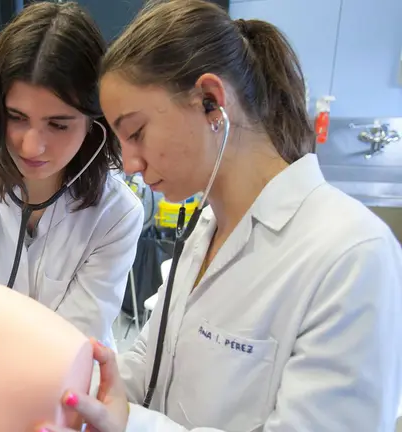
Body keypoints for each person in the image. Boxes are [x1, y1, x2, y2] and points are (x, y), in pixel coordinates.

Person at [36, 1, 402, 431]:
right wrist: (78, 398)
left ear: (211, 101)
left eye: (136, 133)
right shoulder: (207, 229)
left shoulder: (352, 254)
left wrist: (132, 425)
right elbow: (153, 362)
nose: (130, 164)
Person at [0, 2, 144, 349]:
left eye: (58, 124)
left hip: (66, 386)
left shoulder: (117, 214)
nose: (30, 147)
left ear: (95, 123)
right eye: (17, 117)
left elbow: (69, 341)